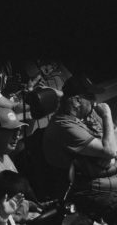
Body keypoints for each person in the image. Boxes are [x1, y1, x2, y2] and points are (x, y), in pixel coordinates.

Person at [42, 74, 117, 222]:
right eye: (90, 96)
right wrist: (107, 115)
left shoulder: (82, 117)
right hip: (88, 191)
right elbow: (109, 149)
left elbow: (112, 139)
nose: (95, 102)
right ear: (76, 101)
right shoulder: (63, 126)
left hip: (104, 181)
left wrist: (109, 153)